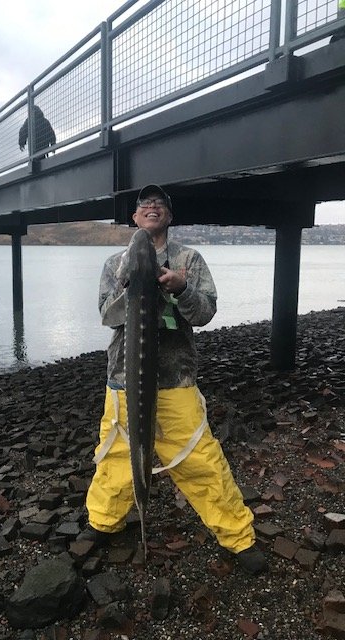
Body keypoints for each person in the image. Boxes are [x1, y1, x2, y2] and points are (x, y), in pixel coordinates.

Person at [77, 184, 268, 575]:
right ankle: (103, 522)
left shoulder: (189, 258)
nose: (151, 207)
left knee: (201, 459)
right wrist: (132, 285)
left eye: (159, 204)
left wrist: (180, 288)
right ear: (134, 218)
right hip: (122, 378)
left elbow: (204, 314)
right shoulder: (116, 263)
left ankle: (238, 536)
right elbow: (107, 316)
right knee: (115, 455)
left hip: (176, 378)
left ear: (169, 216)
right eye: (144, 205)